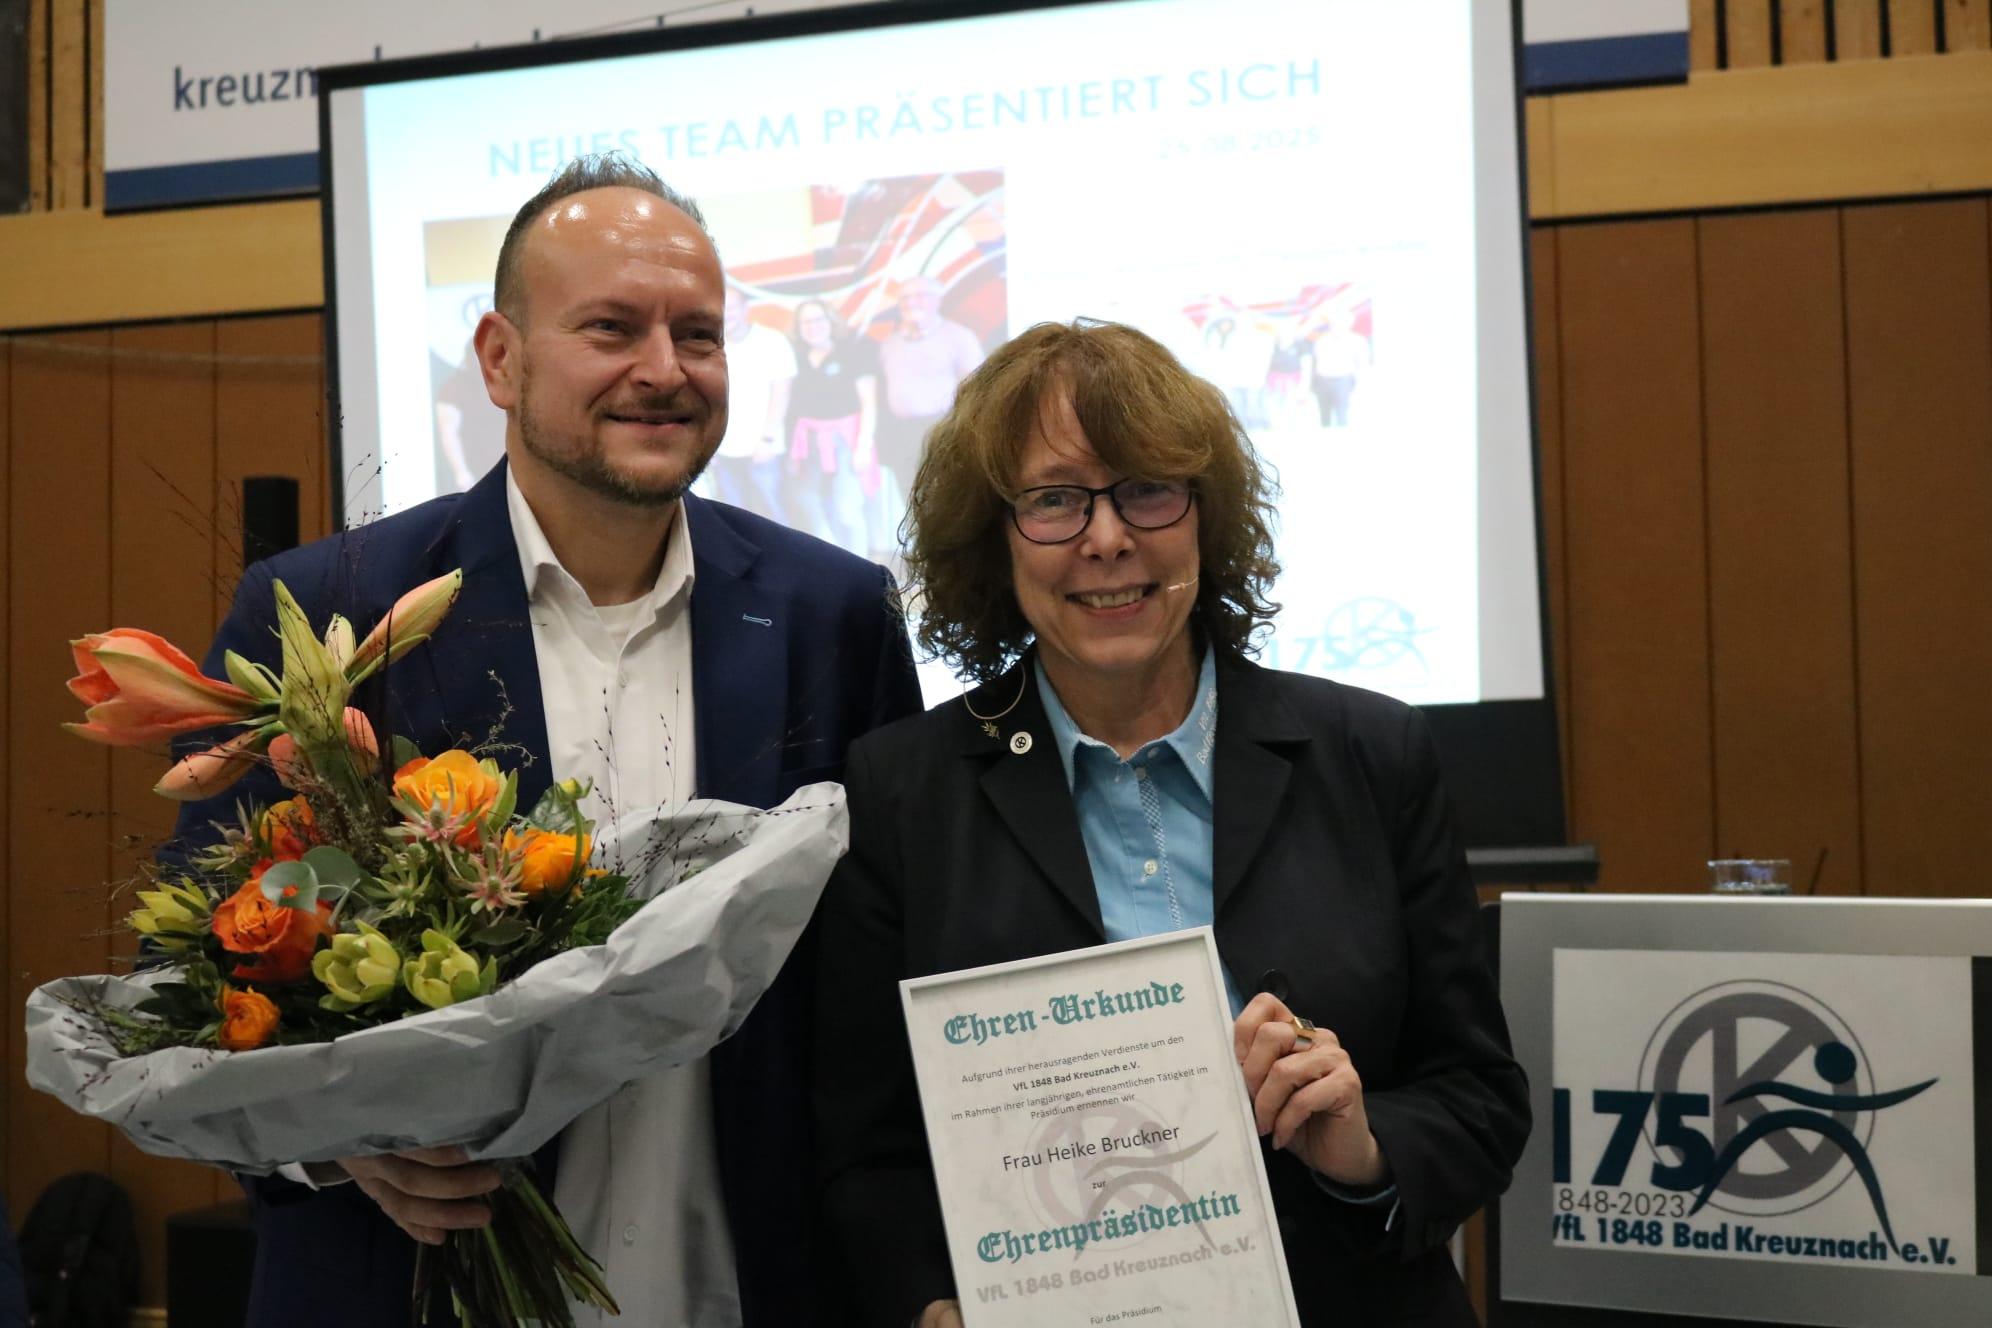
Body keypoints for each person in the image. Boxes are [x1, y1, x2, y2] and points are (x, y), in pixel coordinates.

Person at [169, 152, 921, 1328]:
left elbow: (889, 978)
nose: (664, 370)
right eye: (612, 327)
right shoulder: (332, 609)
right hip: (412, 1288)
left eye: (700, 335)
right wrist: (337, 1137)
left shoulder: (835, 615)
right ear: (500, 358)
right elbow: (200, 969)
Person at [812, 320, 1527, 1327]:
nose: (1107, 538)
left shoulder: (1373, 754)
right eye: (1054, 499)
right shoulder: (901, 791)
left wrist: (1363, 1144)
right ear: (993, 538)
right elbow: (865, 1150)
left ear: (1205, 515)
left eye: (1147, 489)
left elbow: (1480, 1096)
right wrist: (932, 1305)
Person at [874, 275, 983, 548]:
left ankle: (952, 556)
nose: (911, 303)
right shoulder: (890, 343)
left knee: (946, 500)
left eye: (919, 296)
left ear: (938, 300)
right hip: (901, 434)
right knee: (911, 502)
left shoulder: (959, 337)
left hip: (944, 431)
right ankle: (926, 557)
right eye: (905, 298)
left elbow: (977, 389)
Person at [785, 297, 878, 556]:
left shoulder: (853, 352)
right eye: (806, 322)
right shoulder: (797, 357)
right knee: (807, 502)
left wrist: (863, 446)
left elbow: (869, 403)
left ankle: (861, 564)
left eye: (818, 319)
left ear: (830, 322)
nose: (812, 326)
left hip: (846, 439)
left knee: (847, 509)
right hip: (807, 440)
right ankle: (832, 560)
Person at [705, 284, 796, 522]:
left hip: (764, 448)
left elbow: (782, 393)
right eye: (720, 308)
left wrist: (768, 440)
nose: (727, 314)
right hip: (723, 451)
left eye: (732, 307)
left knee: (773, 515)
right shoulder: (708, 347)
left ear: (745, 308)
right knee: (734, 520)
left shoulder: (772, 341)